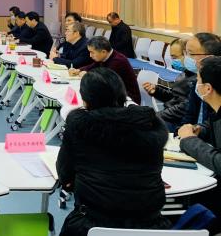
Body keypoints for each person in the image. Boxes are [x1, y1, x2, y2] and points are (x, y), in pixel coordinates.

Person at [57, 68, 169, 236]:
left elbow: (65, 174)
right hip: (151, 226)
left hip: (92, 223)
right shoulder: (149, 124)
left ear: (86, 99)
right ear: (122, 94)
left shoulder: (80, 125)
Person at [178, 56, 221, 217]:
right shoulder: (215, 109)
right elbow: (211, 125)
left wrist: (189, 140)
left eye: (198, 80)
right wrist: (199, 130)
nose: (196, 84)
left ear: (208, 88)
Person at [70, 36, 140, 104]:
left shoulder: (118, 62)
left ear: (103, 52)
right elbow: (92, 66)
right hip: (114, 93)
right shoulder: (105, 56)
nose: (90, 55)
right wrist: (78, 70)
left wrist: (87, 75)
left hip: (128, 99)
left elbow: (104, 81)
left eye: (92, 52)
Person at [142, 39, 194, 132]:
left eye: (175, 57)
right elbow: (174, 97)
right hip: (169, 115)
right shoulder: (184, 74)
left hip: (177, 122)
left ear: (187, 55)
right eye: (171, 57)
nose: (173, 61)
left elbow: (184, 108)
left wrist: (156, 116)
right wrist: (157, 91)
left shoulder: (196, 80)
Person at [180, 33, 221, 129]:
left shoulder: (216, 84)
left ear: (209, 57)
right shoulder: (198, 79)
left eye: (190, 54)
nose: (186, 57)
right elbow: (189, 115)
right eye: (185, 52)